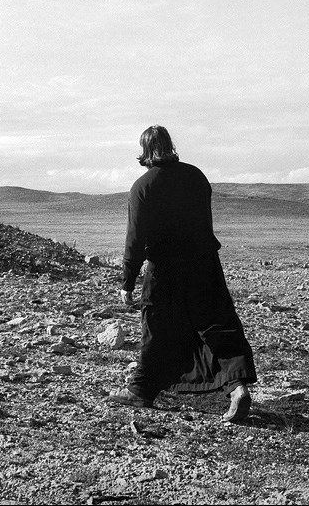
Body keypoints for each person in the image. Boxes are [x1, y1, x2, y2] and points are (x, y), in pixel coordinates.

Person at [108, 125, 257, 422]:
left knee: (156, 327)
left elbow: (135, 238)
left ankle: (141, 390)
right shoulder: (196, 176)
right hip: (204, 262)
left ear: (145, 150)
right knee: (216, 324)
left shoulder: (143, 186)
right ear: (170, 145)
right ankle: (237, 387)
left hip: (165, 269)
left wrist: (127, 281)